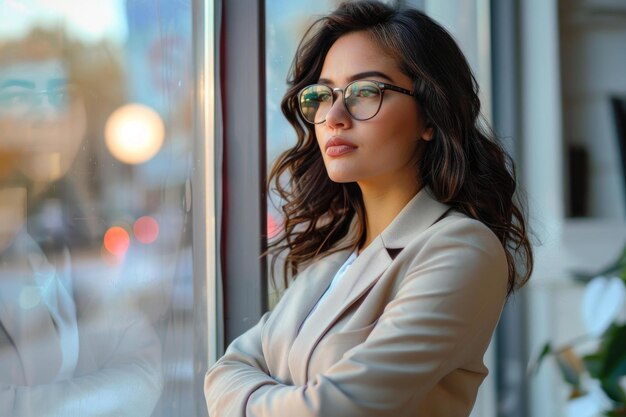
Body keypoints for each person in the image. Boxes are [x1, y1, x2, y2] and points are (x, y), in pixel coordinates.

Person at [204, 1, 533, 416]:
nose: (334, 116)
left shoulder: (461, 248)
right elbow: (224, 369)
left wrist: (247, 400)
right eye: (322, 95)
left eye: (365, 92)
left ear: (430, 115)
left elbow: (337, 410)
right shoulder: (333, 257)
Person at [0, 29, 162, 416]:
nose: (46, 118)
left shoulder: (55, 241)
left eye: (57, 95)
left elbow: (143, 365)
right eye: (20, 95)